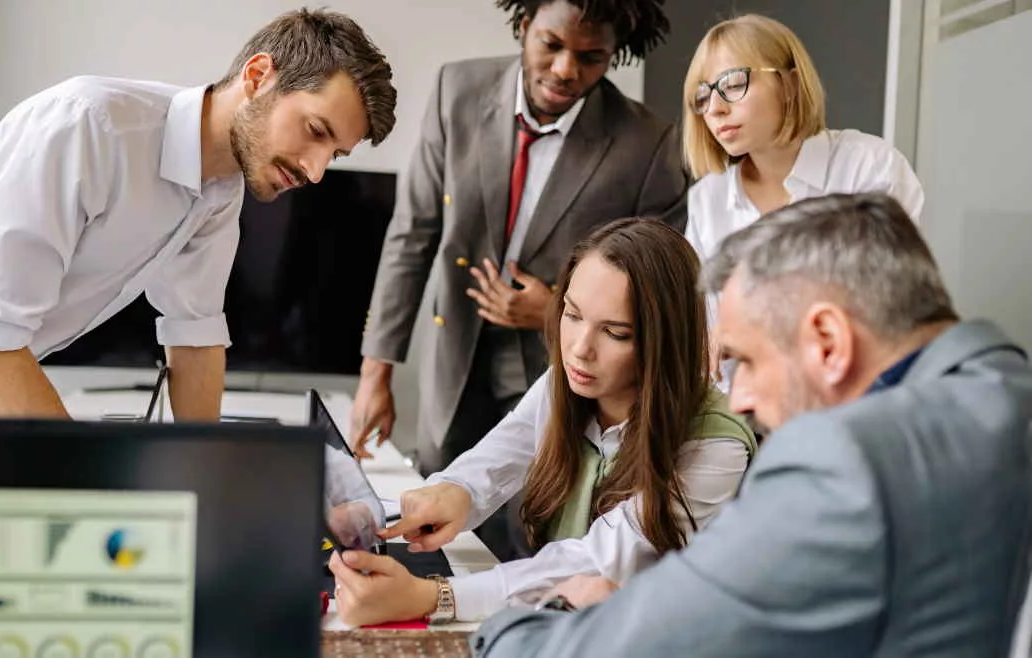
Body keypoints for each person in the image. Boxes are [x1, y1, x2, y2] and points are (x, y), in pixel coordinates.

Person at [468, 192, 1032, 658]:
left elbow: (655, 641)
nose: (739, 398)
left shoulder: (847, 462)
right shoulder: (1002, 388)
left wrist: (525, 623)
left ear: (828, 343)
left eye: (748, 361)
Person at [0, 9, 396, 417]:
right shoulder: (88, 125)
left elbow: (196, 339)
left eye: (336, 154)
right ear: (259, 76)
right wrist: (93, 490)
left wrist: (202, 490)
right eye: (316, 131)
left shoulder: (221, 186)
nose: (317, 170)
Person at [328, 218, 756, 626]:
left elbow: (596, 559)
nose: (580, 349)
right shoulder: (569, 381)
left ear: (665, 340)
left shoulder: (716, 445)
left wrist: (434, 597)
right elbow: (499, 455)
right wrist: (444, 494)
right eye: (572, 315)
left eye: (616, 333)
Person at [350, 0, 688, 479]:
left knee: (531, 526)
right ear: (526, 26)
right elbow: (413, 235)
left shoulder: (650, 145)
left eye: (591, 57)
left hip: (561, 365)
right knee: (438, 507)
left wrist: (554, 310)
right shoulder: (457, 92)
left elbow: (657, 289)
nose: (565, 70)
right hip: (454, 351)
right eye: (551, 45)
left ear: (615, 54)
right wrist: (374, 375)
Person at [680, 14, 924, 385]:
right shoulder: (706, 198)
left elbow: (888, 307)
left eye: (732, 84)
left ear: (790, 83)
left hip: (854, 400)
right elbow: (705, 336)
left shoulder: (871, 167)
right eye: (703, 94)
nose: (715, 108)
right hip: (742, 418)